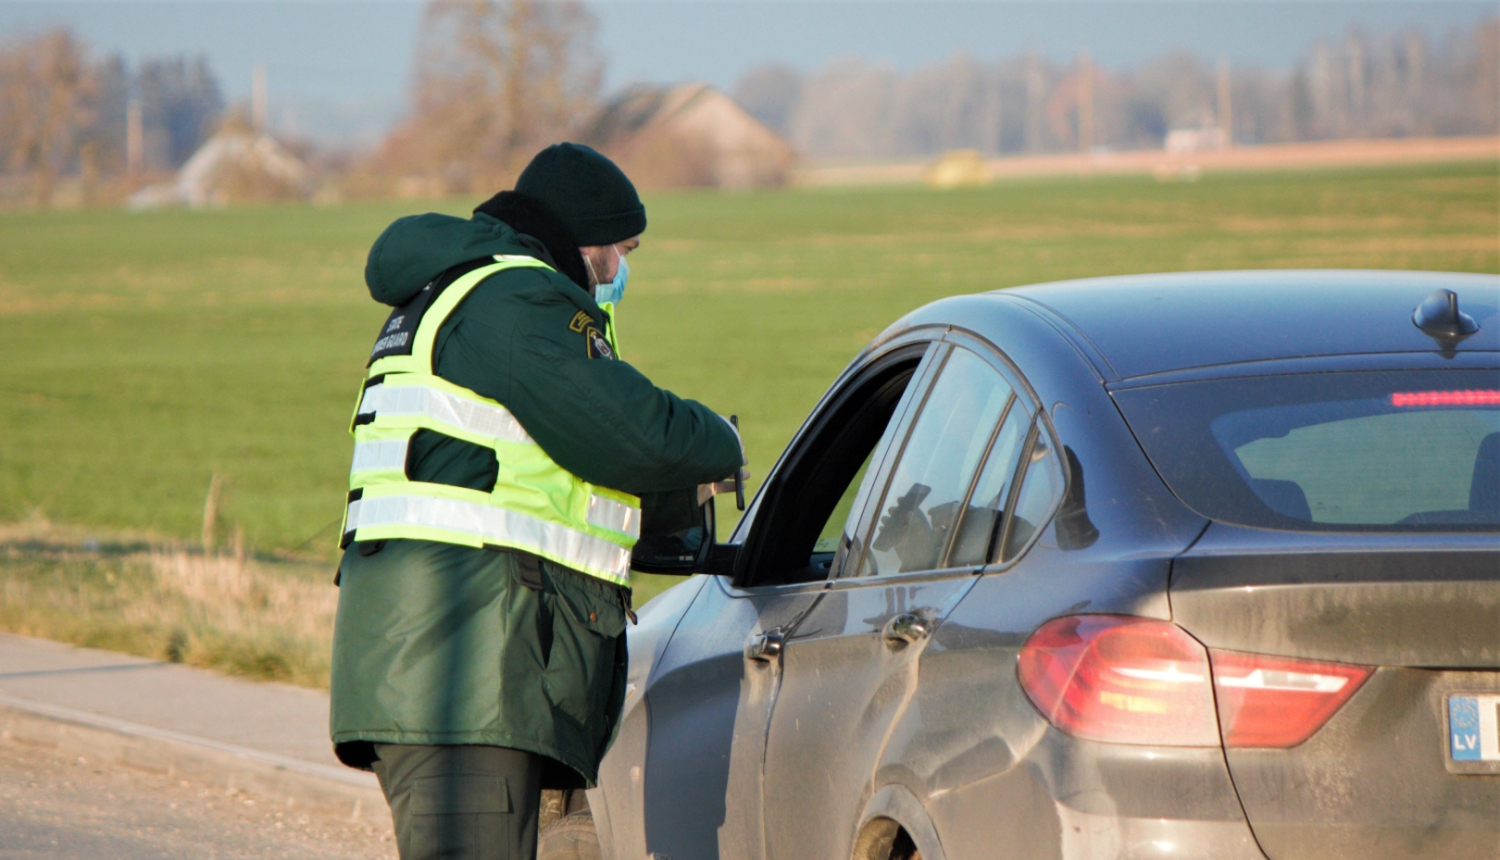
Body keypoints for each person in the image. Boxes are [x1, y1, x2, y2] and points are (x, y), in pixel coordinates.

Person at [329, 143, 743, 859]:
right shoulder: (517, 300)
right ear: (586, 241)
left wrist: (676, 506)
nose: (620, 271)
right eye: (622, 251)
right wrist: (721, 442)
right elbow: (635, 431)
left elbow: (553, 477)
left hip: (443, 656)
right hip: (463, 669)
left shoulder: (455, 293)